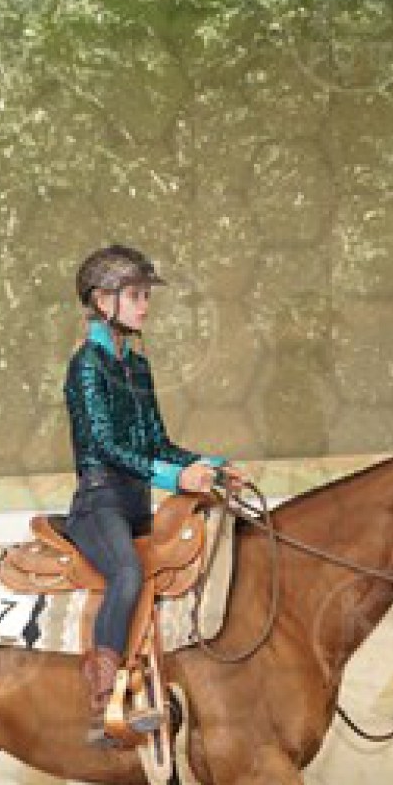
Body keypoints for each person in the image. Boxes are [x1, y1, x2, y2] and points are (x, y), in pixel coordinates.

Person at [61, 244, 240, 746]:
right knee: (126, 573)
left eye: (145, 296)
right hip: (100, 502)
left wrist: (213, 466)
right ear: (103, 302)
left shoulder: (137, 367)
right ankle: (103, 708)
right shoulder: (86, 366)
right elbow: (104, 446)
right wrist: (174, 480)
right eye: (135, 295)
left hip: (137, 504)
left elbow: (158, 443)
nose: (145, 305)